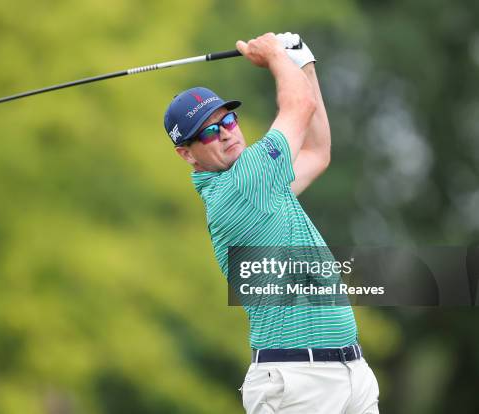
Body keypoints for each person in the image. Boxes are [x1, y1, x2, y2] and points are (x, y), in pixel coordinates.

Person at [163, 33, 380, 413]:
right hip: (297, 382)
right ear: (188, 155)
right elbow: (298, 106)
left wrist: (303, 63)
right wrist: (277, 57)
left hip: (350, 372)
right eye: (210, 132)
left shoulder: (263, 184)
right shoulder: (244, 182)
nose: (227, 132)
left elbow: (317, 152)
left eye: (228, 119)